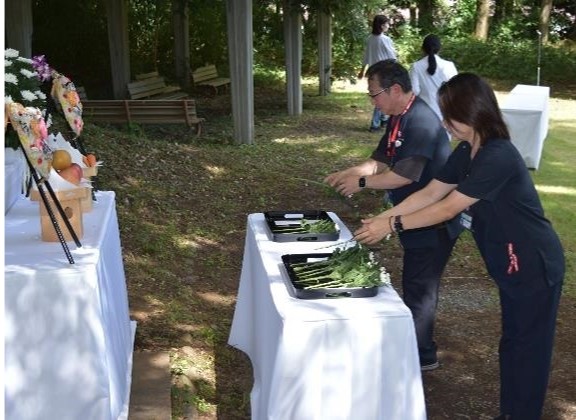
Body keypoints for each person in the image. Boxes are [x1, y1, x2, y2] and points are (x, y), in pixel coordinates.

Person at [354, 73, 565, 420]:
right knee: (514, 343)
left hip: (533, 262)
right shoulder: (469, 149)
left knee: (528, 348)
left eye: (448, 114)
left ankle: (521, 414)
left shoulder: (498, 155)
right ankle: (512, 412)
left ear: (472, 112)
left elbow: (449, 206)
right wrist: (386, 216)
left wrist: (391, 224)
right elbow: (431, 191)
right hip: (510, 260)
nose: (443, 123)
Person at [325, 59, 462, 371]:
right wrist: (348, 173)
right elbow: (379, 160)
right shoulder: (399, 116)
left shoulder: (422, 121)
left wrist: (360, 183)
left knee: (420, 288)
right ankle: (415, 347)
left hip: (433, 221)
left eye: (374, 94)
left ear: (396, 89)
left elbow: (404, 175)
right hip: (414, 214)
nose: (371, 100)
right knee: (414, 282)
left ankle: (421, 355)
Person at [358, 15, 397, 132]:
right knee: (383, 97)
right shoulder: (385, 40)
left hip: (373, 72)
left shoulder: (370, 39)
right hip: (384, 72)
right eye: (387, 24)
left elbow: (366, 56)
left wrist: (362, 70)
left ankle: (383, 119)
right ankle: (375, 124)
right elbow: (392, 57)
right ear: (381, 25)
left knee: (381, 96)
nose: (388, 26)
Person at [409, 34, 458, 121]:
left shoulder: (416, 66)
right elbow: (456, 90)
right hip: (445, 112)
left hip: (423, 112)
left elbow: (414, 91)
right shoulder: (449, 66)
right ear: (440, 48)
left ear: (423, 49)